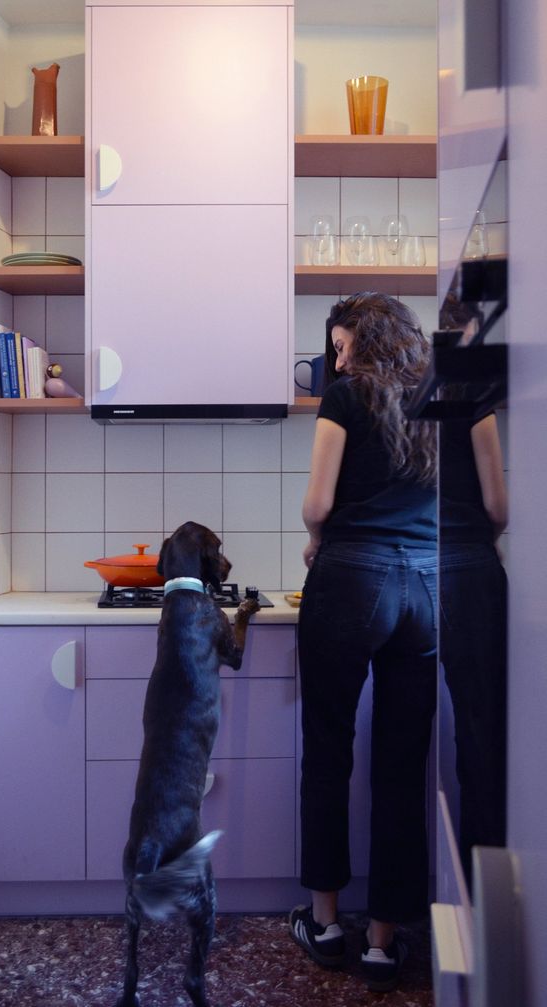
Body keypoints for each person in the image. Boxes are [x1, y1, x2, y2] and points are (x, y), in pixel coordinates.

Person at [288, 291, 438, 993]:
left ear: (364, 342)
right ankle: (382, 941)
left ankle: (322, 925)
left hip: (352, 577)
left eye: (341, 344)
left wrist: (316, 540)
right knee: (403, 764)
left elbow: (317, 503)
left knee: (327, 750)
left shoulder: (347, 398)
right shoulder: (444, 397)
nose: (337, 357)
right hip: (426, 588)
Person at [438, 295, 508, 889]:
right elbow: (496, 506)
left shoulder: (417, 399)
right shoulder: (479, 403)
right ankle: (485, 884)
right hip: (472, 572)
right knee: (480, 728)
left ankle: (448, 882)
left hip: (421, 569)